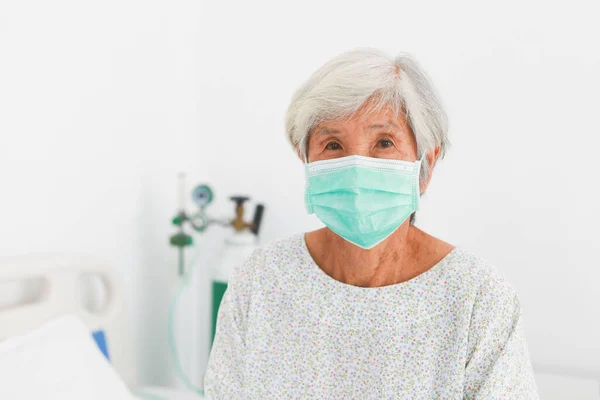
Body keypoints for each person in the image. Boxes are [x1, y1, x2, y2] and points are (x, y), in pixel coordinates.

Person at [203, 47, 539, 399]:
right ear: (306, 160)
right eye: (333, 144)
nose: (357, 167)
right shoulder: (259, 283)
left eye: (383, 142)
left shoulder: (478, 299)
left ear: (426, 163)